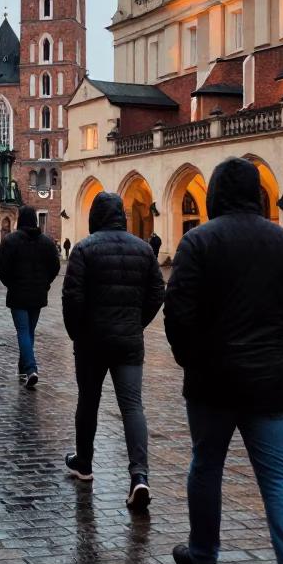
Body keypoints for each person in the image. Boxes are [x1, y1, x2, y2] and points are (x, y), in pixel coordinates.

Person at [163, 157, 283, 564]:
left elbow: (178, 315)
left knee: (205, 467)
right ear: (258, 194)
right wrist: (278, 352)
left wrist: (192, 359)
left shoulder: (198, 241)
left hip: (212, 380)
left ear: (214, 195)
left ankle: (203, 555)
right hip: (268, 380)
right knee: (279, 479)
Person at [62, 192, 165, 510]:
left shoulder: (83, 248)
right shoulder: (144, 249)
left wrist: (77, 332)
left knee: (88, 402)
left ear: (96, 216)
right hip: (129, 342)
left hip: (91, 341)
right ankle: (139, 476)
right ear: (121, 215)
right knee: (132, 407)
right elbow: (157, 291)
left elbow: (71, 297)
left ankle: (85, 464)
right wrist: (137, 322)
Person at [0, 206, 60, 388]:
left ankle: (31, 368)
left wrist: (11, 283)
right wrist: (45, 283)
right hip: (38, 294)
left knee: (23, 331)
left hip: (18, 294)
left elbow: (1, 268)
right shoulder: (46, 242)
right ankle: (23, 366)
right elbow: (55, 266)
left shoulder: (10, 241)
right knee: (29, 331)